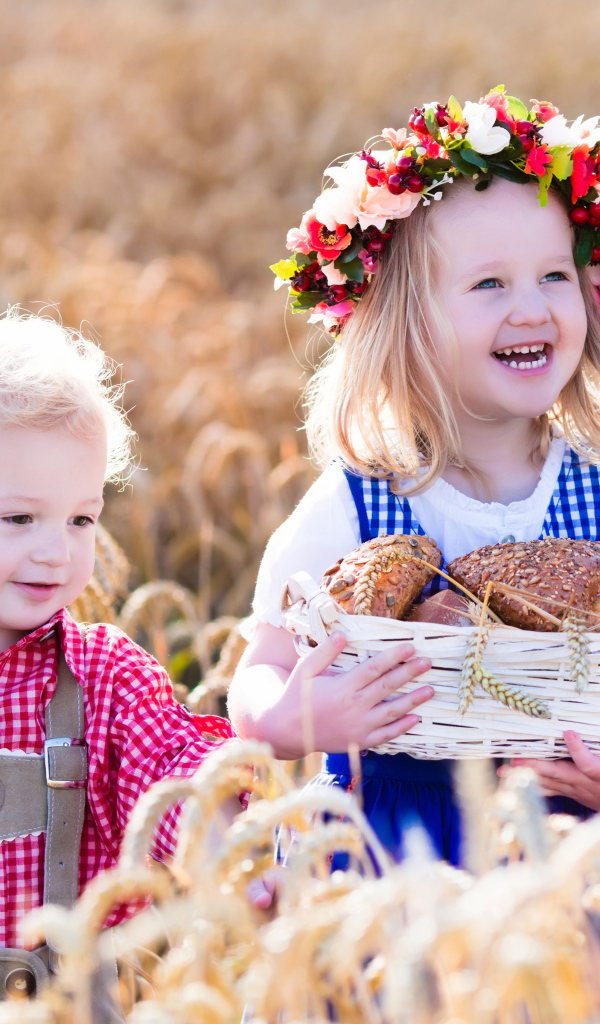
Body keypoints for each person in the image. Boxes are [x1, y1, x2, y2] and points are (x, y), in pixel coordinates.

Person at [228, 87, 600, 868]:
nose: (532, 308)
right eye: (489, 285)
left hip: (571, 844)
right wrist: (300, 717)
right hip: (401, 846)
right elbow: (258, 673)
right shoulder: (361, 504)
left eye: (555, 276)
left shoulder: (594, 482)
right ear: (406, 324)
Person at [0, 310, 242, 1002]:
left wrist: (235, 859)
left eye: (82, 519)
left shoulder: (105, 679)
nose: (58, 551)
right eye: (20, 518)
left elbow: (177, 780)